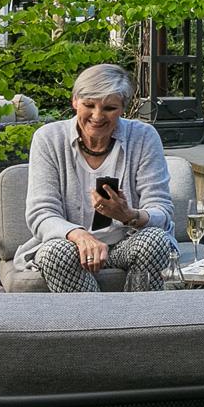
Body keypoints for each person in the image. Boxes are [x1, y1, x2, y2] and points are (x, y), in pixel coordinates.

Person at [25, 63, 180, 293]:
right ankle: (98, 328)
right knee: (55, 252)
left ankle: (140, 326)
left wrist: (130, 216)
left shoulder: (144, 137)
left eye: (109, 108)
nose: (97, 116)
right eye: (89, 105)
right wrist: (79, 236)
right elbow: (41, 213)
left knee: (156, 240)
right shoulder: (48, 138)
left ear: (123, 109)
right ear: (75, 101)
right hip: (71, 245)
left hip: (126, 243)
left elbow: (162, 211)